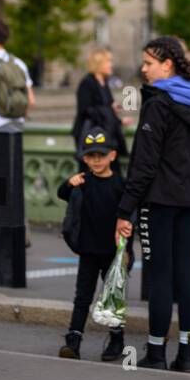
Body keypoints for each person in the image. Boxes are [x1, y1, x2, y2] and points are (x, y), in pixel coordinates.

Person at [115, 37, 190, 373]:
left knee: (159, 275)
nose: (143, 68)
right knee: (186, 273)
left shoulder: (157, 103)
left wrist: (124, 209)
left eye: (148, 62)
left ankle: (156, 351)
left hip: (158, 201)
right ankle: (187, 355)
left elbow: (144, 163)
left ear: (167, 64)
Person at [58, 126, 129, 362]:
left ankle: (116, 339)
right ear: (84, 158)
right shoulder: (83, 182)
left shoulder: (120, 184)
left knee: (112, 298)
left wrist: (126, 248)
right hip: (88, 251)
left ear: (112, 155)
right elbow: (61, 193)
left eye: (101, 155)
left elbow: (129, 215)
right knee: (83, 297)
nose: (96, 161)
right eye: (90, 156)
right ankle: (73, 340)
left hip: (111, 252)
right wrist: (69, 183)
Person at [71, 48, 127, 158]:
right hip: (92, 137)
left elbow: (107, 106)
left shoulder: (104, 82)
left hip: (106, 134)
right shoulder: (87, 83)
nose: (111, 65)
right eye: (108, 61)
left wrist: (118, 118)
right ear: (98, 64)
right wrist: (108, 109)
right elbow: (85, 110)